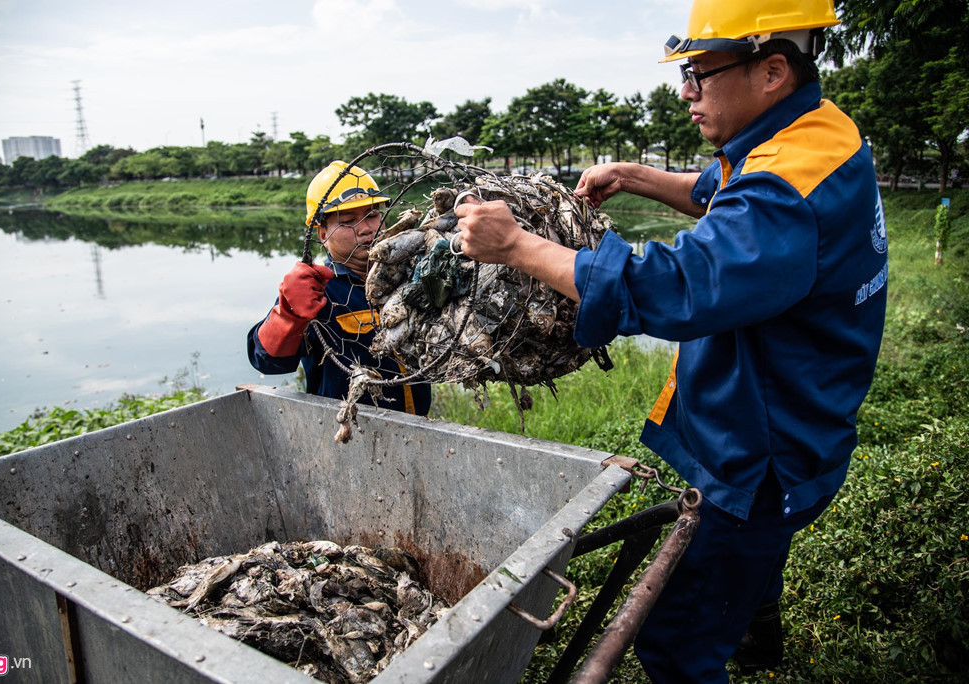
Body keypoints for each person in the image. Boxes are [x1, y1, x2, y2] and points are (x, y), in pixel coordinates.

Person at [454, 0, 887, 680]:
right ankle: (752, 633)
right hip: (806, 419)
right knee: (745, 570)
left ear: (772, 69)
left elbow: (676, 287)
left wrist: (516, 245)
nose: (686, 91)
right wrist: (633, 175)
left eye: (701, 72)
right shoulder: (817, 134)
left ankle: (719, 639)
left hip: (761, 455)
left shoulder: (783, 195)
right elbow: (723, 189)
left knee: (675, 646)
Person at [247, 161, 431, 416]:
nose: (366, 228)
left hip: (418, 424)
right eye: (348, 220)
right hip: (347, 432)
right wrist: (289, 313)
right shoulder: (318, 290)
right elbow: (266, 361)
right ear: (322, 233)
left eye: (372, 215)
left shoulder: (407, 275)